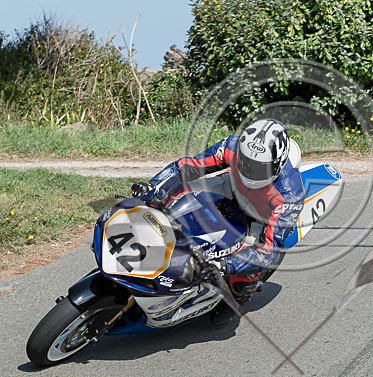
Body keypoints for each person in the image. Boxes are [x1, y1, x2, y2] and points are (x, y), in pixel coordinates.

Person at [130, 119, 305, 325]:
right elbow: (186, 167)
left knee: (244, 274)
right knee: (176, 194)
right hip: (231, 186)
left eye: (259, 167)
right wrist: (155, 189)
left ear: (276, 165)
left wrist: (225, 265)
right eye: (246, 162)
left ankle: (239, 297)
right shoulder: (231, 147)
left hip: (261, 215)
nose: (249, 170)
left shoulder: (290, 195)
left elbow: (269, 253)